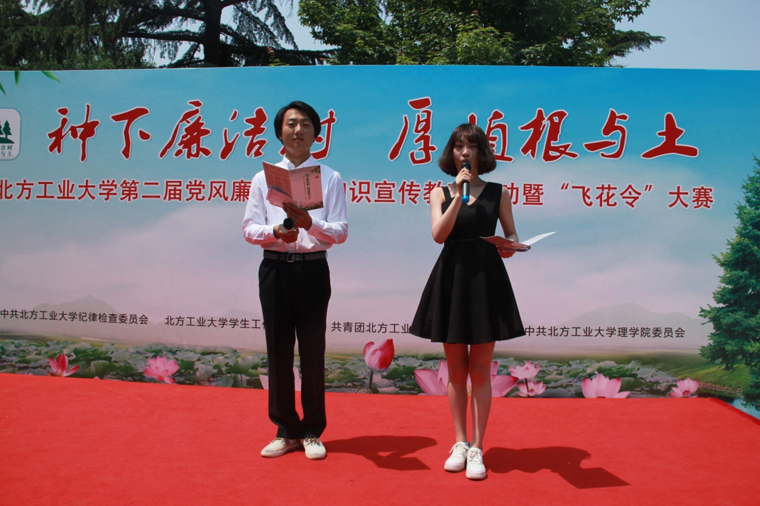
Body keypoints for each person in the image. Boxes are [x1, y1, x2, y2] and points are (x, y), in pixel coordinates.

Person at [410, 123, 525, 480]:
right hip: (452, 279)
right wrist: (458, 198)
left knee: (480, 369)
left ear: (481, 152)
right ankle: (459, 442)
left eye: (471, 146)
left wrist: (510, 246)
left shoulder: (499, 192)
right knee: (456, 369)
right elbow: (438, 234)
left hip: (487, 280)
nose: (464, 152)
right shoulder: (440, 193)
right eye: (459, 146)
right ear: (452, 153)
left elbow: (511, 233)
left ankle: (477, 446)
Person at [242, 101, 348, 460]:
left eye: (305, 124)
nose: (298, 130)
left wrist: (309, 224)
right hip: (274, 268)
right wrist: (276, 231)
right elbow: (249, 229)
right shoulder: (262, 179)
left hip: (312, 269)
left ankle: (312, 430)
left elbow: (341, 231)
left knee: (313, 351)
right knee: (278, 351)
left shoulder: (330, 177)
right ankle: (286, 430)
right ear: (279, 133)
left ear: (316, 133)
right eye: (290, 124)